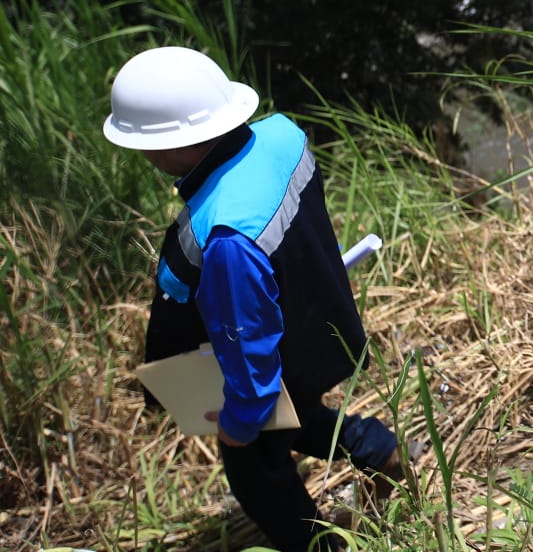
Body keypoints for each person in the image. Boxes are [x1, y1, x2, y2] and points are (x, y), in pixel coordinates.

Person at [105, 46, 404, 550]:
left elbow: (248, 346)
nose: (142, 154)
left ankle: (318, 546)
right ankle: (378, 449)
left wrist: (238, 427)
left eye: (142, 144)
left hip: (268, 362)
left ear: (171, 145)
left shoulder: (225, 237)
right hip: (314, 328)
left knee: (258, 475)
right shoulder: (282, 136)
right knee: (301, 416)